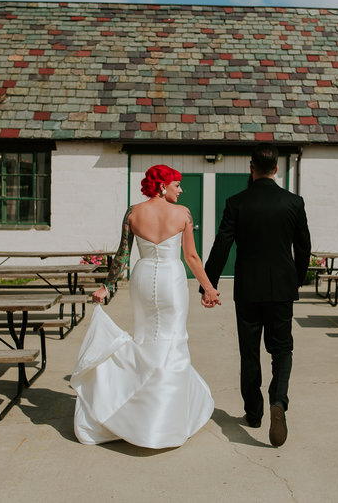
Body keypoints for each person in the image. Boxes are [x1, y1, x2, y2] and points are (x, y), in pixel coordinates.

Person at [70, 164, 221, 449]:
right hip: (171, 280)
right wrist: (209, 288)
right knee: (173, 341)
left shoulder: (133, 213)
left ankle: (138, 411)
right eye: (177, 184)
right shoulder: (183, 214)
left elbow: (122, 255)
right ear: (162, 186)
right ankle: (164, 419)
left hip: (142, 277)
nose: (181, 189)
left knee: (144, 341)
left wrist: (108, 286)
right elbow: (191, 257)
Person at [202, 144, 311, 447]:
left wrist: (208, 284)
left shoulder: (237, 202)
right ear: (276, 169)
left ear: (252, 168)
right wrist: (297, 280)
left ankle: (254, 413)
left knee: (250, 353)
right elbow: (304, 247)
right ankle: (278, 400)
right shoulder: (293, 202)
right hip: (280, 290)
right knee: (282, 350)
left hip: (248, 289)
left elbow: (222, 245)